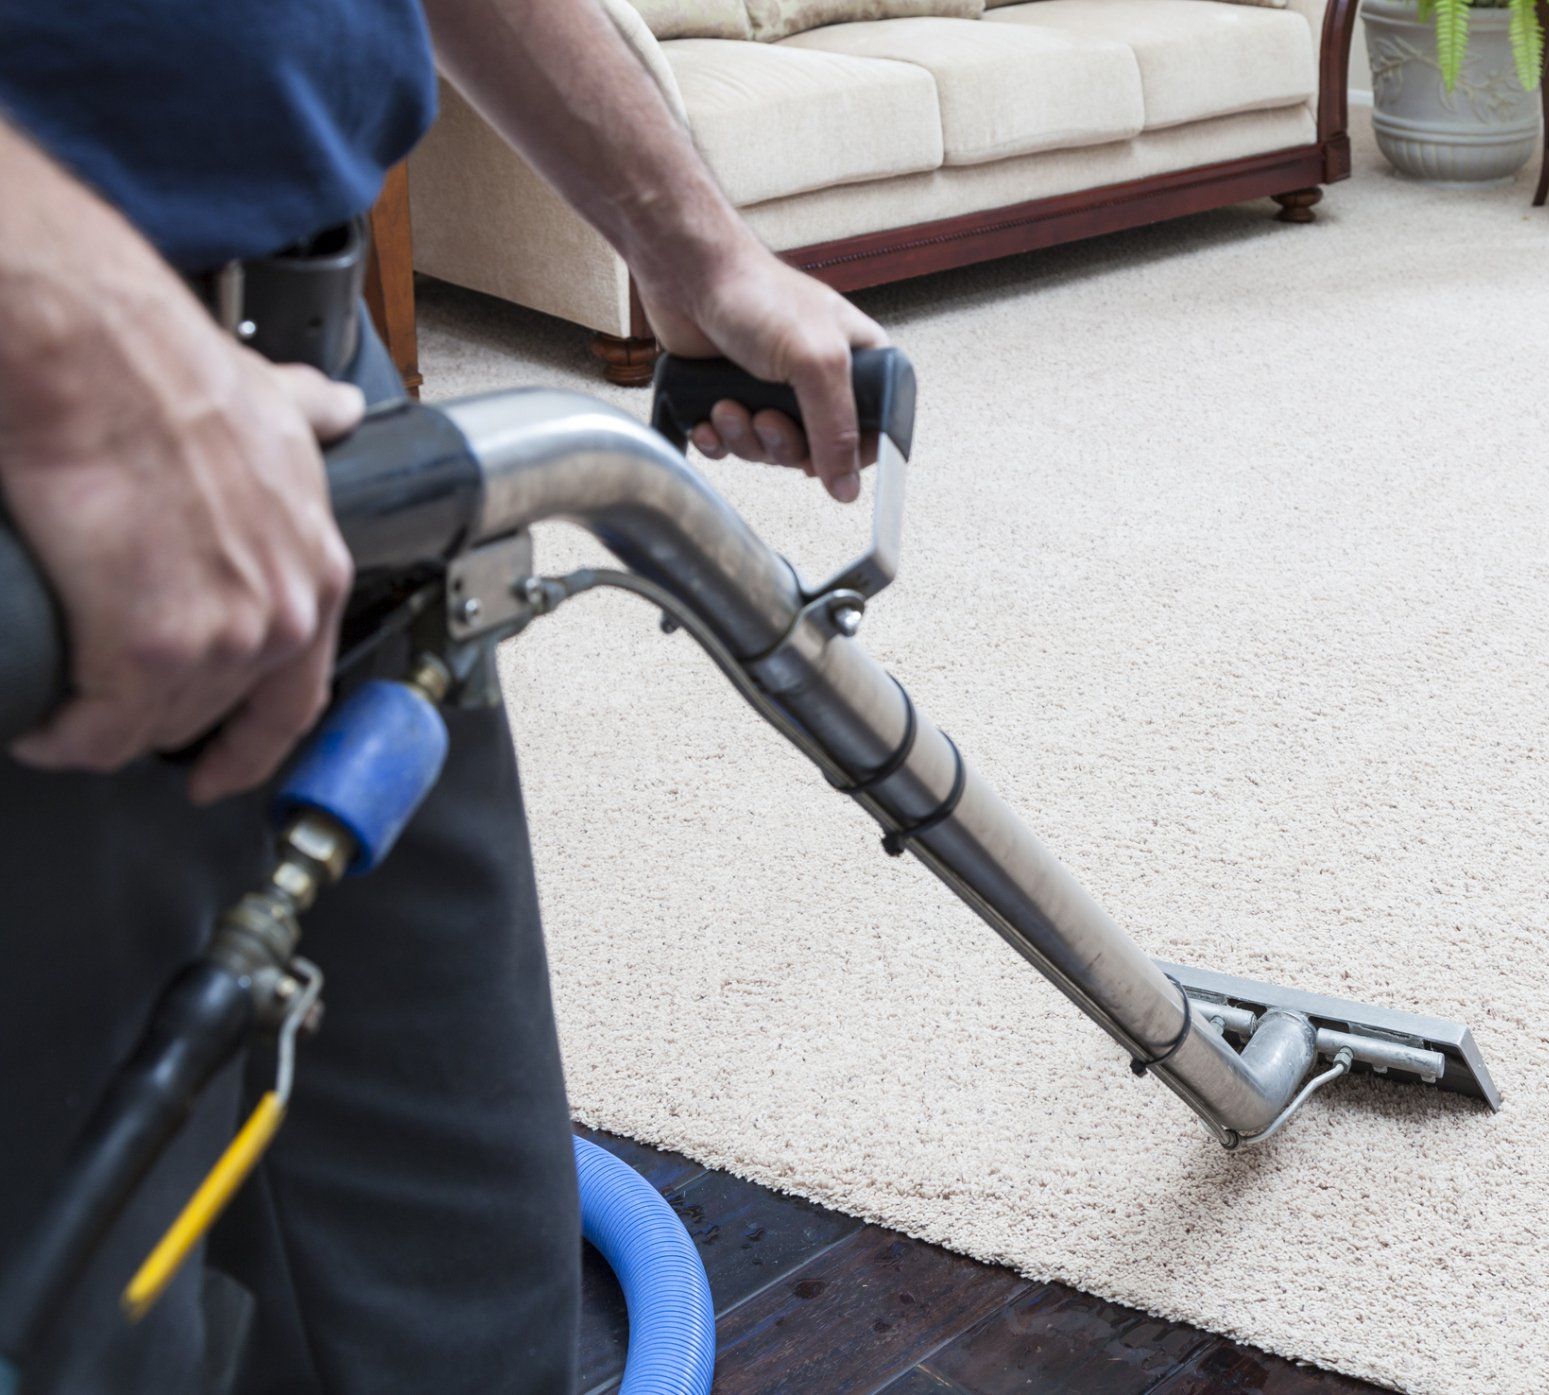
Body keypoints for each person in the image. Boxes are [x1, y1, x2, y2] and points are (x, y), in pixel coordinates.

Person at [0, 1, 886, 1389]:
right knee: (95, 1331)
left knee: (465, 1273)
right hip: (55, 464)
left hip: (320, 381)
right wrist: (54, 317)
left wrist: (688, 241)